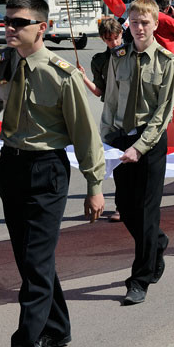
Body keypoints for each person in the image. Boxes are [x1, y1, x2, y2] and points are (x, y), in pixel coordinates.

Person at [0, 0, 106, 347]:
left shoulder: (61, 74)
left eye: (19, 22)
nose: (10, 28)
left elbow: (85, 134)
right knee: (29, 259)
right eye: (8, 20)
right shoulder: (1, 60)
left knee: (36, 262)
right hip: (11, 168)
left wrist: (95, 185)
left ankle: (24, 345)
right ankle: (59, 326)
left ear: (42, 28)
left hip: (47, 171)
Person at [101, 0, 174, 305]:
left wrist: (140, 147)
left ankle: (140, 278)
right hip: (120, 139)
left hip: (150, 141)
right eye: (134, 22)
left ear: (156, 24)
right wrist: (105, 137)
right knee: (125, 206)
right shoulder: (118, 56)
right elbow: (110, 100)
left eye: (145, 22)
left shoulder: (166, 61)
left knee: (146, 210)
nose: (139, 28)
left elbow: (164, 112)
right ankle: (157, 242)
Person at [78, 17, 126, 222]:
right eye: (108, 40)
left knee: (134, 159)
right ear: (102, 39)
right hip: (110, 112)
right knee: (114, 159)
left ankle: (132, 204)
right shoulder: (99, 60)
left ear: (121, 34)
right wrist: (84, 78)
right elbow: (99, 91)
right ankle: (121, 206)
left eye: (116, 38)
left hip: (132, 111)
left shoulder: (134, 54)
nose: (113, 43)